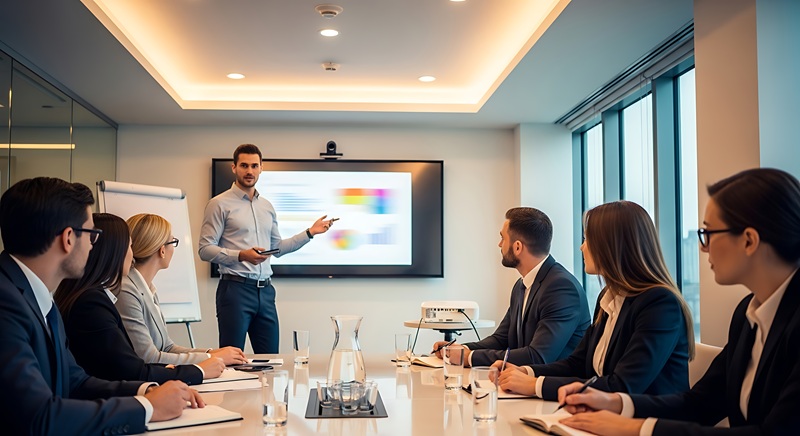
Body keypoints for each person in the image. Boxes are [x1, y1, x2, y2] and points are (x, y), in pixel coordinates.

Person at [556, 168, 800, 436]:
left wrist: (638, 428)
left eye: (707, 233)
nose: (703, 247)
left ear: (749, 240)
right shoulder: (747, 313)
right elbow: (701, 403)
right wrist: (615, 402)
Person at [0, 177, 203, 435]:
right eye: (92, 234)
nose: (94, 245)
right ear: (69, 238)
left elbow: (75, 381)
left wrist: (147, 390)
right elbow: (38, 416)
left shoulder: (37, 297)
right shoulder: (6, 303)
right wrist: (147, 408)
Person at [494, 201, 694, 401]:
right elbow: (578, 363)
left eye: (587, 239)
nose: (582, 247)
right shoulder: (609, 297)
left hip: (645, 424)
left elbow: (623, 385)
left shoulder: (659, 304)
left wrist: (535, 385)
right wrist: (526, 372)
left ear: (612, 246)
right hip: (605, 418)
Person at [54, 213, 224, 385]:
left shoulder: (143, 288)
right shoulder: (98, 300)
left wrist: (210, 356)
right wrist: (201, 367)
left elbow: (163, 348)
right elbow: (139, 364)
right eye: (129, 246)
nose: (132, 254)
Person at [198, 143, 336, 353]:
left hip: (266, 292)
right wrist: (241, 255)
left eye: (254, 166)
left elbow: (277, 248)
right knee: (232, 360)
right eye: (244, 165)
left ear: (261, 168)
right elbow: (205, 249)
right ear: (234, 167)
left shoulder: (267, 207)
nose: (249, 171)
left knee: (270, 361)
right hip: (235, 290)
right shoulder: (219, 204)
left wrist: (310, 232)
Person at [433, 207, 591, 367]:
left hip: (553, 388)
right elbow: (501, 339)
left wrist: (470, 357)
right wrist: (460, 349)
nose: (499, 244)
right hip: (519, 384)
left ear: (517, 247)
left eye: (502, 238)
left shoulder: (561, 288)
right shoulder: (521, 285)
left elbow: (538, 356)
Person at [118, 213, 247, 365]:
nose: (174, 247)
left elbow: (166, 346)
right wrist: (212, 359)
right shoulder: (126, 290)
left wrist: (210, 352)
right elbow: (149, 357)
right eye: (172, 241)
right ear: (162, 250)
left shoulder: (148, 287)